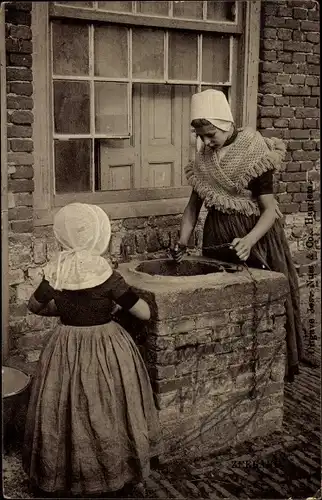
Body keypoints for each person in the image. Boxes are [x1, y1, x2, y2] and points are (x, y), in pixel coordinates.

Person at [23, 203, 161, 498]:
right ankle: (111, 471)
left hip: (66, 345)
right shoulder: (107, 275)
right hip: (107, 346)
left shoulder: (55, 275)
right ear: (98, 234)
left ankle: (68, 472)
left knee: (67, 409)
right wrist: (113, 305)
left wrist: (64, 308)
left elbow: (35, 307)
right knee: (107, 408)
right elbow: (144, 314)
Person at [171, 89, 305, 382]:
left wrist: (249, 240)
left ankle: (269, 366)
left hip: (255, 238)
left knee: (263, 298)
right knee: (224, 300)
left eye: (210, 135)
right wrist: (182, 242)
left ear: (225, 124)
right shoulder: (205, 160)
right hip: (219, 236)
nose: (206, 142)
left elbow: (270, 210)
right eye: (201, 136)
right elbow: (193, 208)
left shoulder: (254, 151)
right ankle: (231, 365)